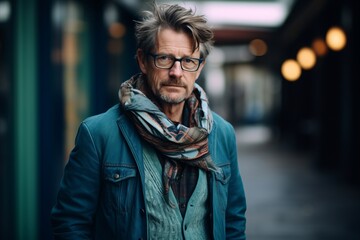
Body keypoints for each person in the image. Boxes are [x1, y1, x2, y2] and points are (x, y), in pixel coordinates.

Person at [51, 2, 246, 239]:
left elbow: (233, 221)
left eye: (188, 61)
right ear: (143, 61)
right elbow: (71, 224)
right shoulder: (98, 134)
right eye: (164, 58)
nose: (176, 72)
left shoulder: (222, 134)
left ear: (200, 67)